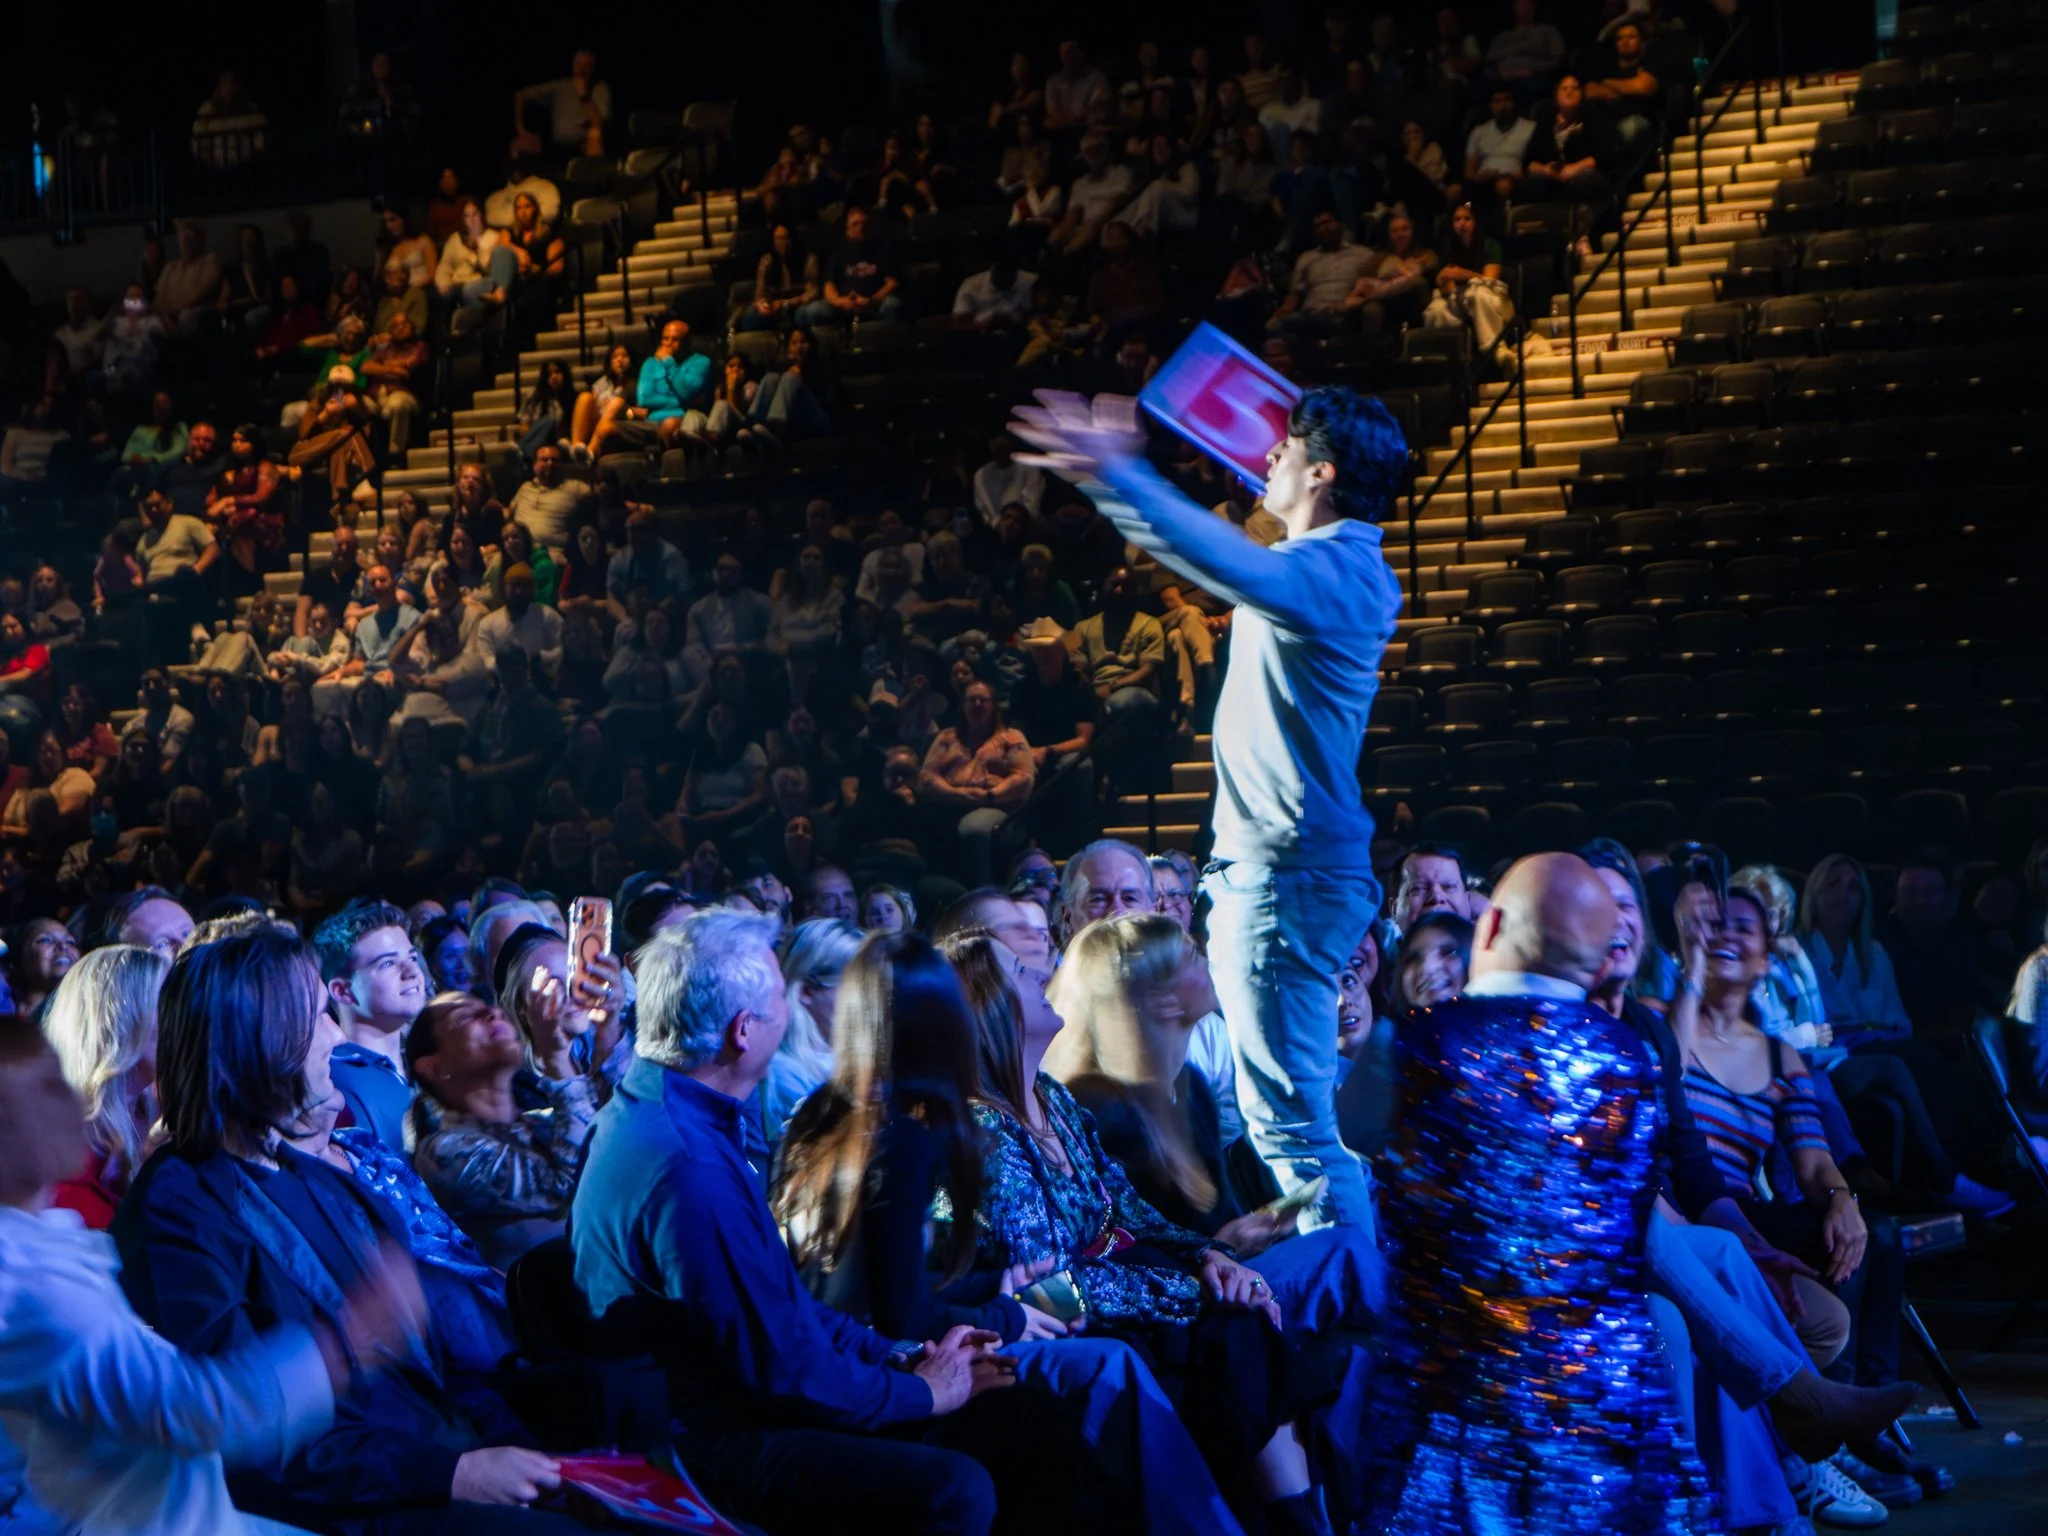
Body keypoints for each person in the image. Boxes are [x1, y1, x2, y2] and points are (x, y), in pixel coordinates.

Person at [1012, 385, 1406, 1238]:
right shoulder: (1342, 569)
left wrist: (1118, 474)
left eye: (1286, 450)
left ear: (1323, 472)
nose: (1268, 459)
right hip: (1288, 876)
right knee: (1293, 1132)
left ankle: (1366, 1327)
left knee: (1297, 1135)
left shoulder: (1334, 572)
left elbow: (1226, 560)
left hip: (1286, 880)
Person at [774, 930, 1246, 1534]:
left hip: (843, 1363)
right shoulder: (910, 1137)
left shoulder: (820, 1117)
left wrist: (993, 1284)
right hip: (889, 1380)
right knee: (1111, 1365)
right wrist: (1009, 1316)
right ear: (944, 1021)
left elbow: (868, 1282)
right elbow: (898, 1314)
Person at [112, 925, 582, 1533]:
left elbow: (433, 1367)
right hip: (359, 1502)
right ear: (261, 1044)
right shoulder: (182, 1201)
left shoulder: (319, 1174)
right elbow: (239, 1430)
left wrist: (524, 1450)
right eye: (316, 1019)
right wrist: (452, 1473)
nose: (337, 1036)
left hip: (431, 1458)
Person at [571, 909, 1010, 1535]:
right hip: (708, 1448)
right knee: (957, 1485)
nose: (794, 1010)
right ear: (744, 1032)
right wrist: (924, 1392)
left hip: (730, 1403)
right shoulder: (689, 1165)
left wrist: (902, 1354)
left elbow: (782, 1310)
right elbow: (782, 1368)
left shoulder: (672, 1112)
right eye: (782, 998)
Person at [940, 930, 1328, 1535]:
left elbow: (1129, 1212)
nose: (1046, 970)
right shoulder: (982, 1134)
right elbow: (1056, 1286)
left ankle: (1300, 1523)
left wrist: (1211, 1255)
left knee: (1242, 1328)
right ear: (991, 1008)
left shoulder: (1053, 1099)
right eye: (1021, 969)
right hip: (1055, 1328)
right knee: (1233, 1334)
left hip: (1120, 1301)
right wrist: (1194, 1290)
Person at [1373, 853, 1718, 1531]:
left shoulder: (1414, 1047)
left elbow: (1337, 1129)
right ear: (1596, 964)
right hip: (1611, 1396)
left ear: (1490, 924)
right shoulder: (1632, 1058)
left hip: (1458, 1400)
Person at [0, 1019, 425, 1536]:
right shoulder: (32, 1279)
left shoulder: (40, 1239)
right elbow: (190, 1413)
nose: (68, 1094)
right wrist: (351, 1339)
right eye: (44, 1084)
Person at [1048, 912, 1386, 1322]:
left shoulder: (1190, 1087)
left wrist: (1253, 1229)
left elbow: (1220, 1223)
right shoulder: (1102, 1112)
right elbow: (1123, 1250)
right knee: (1344, 1253)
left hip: (1229, 1276)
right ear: (1162, 998)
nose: (1206, 958)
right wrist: (1219, 1247)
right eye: (1190, 956)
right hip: (1186, 1301)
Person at [406, 990, 596, 1270]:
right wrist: (556, 1058)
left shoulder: (541, 1121)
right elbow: (574, 1181)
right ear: (435, 1067)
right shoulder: (443, 1154)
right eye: (463, 1017)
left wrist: (607, 1024)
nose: (491, 1013)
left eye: (488, 1006)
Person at [41, 943, 170, 1227]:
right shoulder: (61, 1150)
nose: (185, 1022)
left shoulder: (161, 1119)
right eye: (168, 1006)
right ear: (119, 1022)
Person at [313, 898, 428, 1152]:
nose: (412, 971)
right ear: (342, 991)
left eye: (412, 957)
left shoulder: (429, 1057)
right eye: (387, 963)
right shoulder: (331, 1082)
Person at [917, 680, 1033, 887]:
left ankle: (983, 889)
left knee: (976, 826)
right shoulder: (946, 738)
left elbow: (1023, 778)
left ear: (993, 705)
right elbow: (927, 776)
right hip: (948, 803)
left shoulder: (1011, 738)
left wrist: (991, 794)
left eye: (983, 700)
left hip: (994, 806)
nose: (977, 704)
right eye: (972, 700)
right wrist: (955, 793)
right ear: (963, 705)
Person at [1423, 202, 1513, 351]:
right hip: (1460, 301)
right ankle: (1449, 359)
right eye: (1457, 220)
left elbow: (1490, 280)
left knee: (1477, 295)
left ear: (1475, 222)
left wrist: (1463, 274)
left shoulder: (1489, 245)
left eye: (1467, 219)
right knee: (1435, 310)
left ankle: (1495, 350)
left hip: (1491, 298)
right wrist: (1443, 280)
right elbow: (1448, 289)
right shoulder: (1447, 249)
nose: (1461, 224)